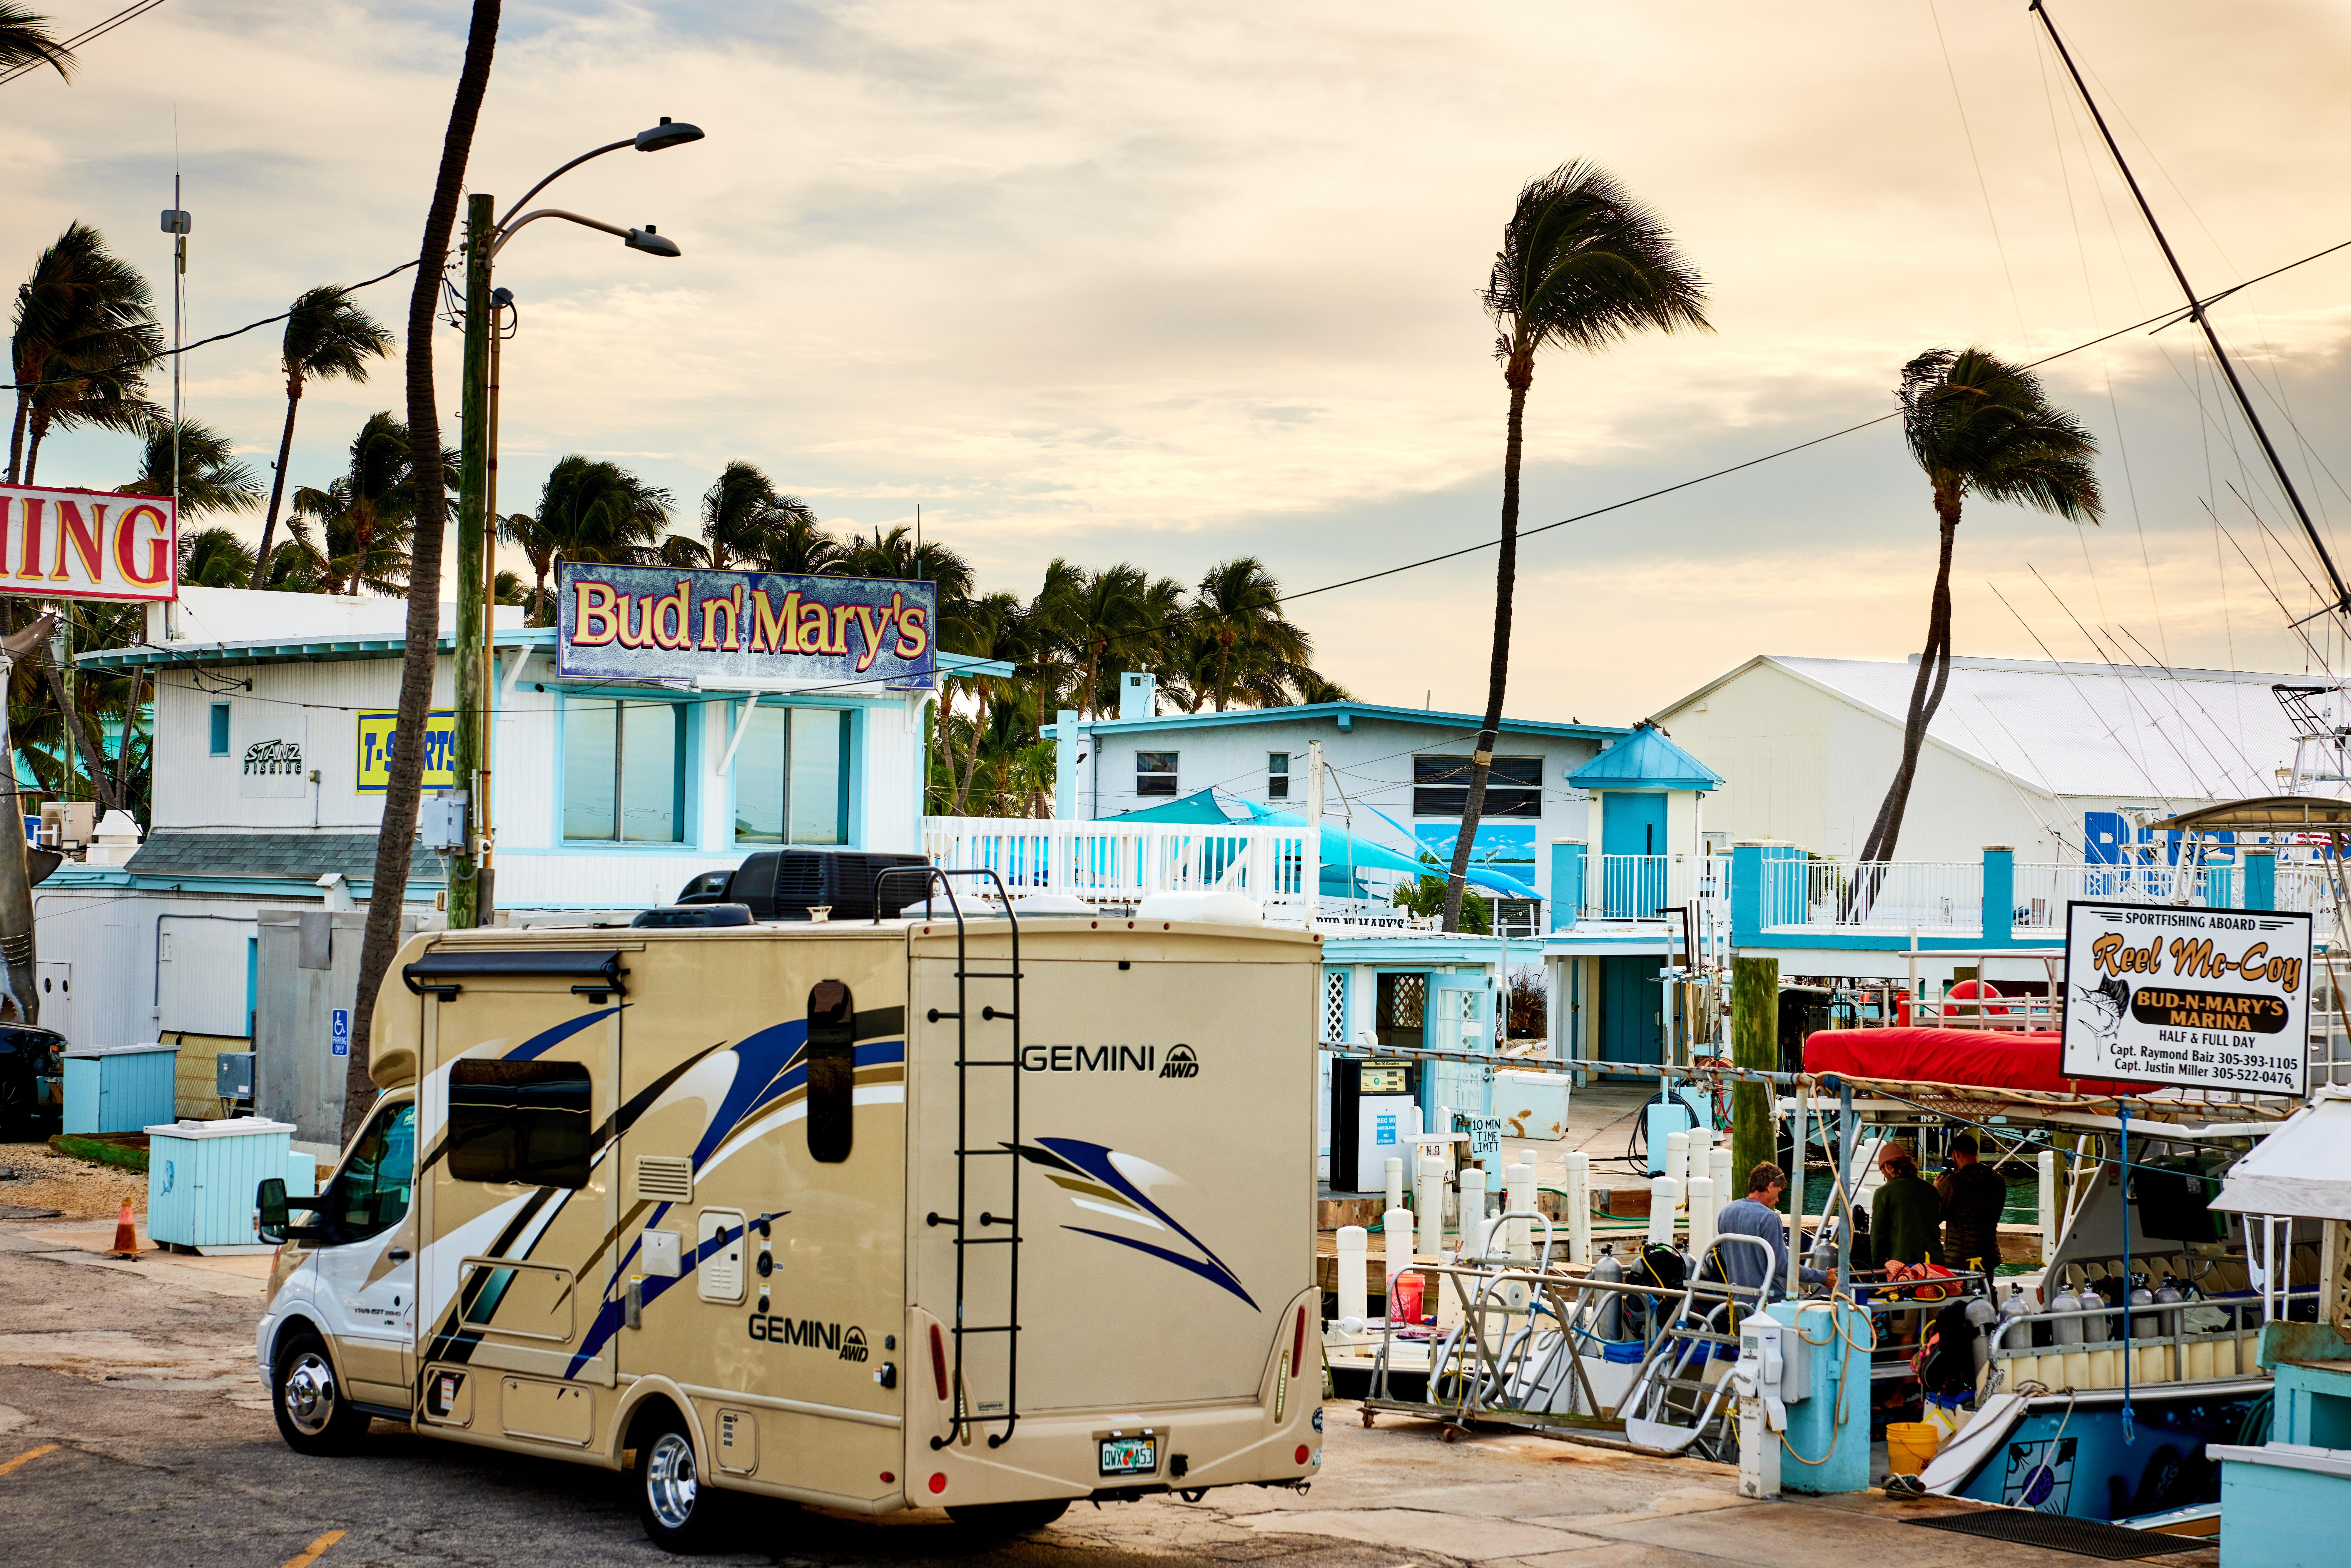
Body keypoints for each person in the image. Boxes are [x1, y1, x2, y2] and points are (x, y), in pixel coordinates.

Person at [1712, 1161, 1837, 1300]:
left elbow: (1726, 1256)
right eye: (1778, 1193)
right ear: (1771, 1187)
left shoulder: (1726, 1213)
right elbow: (1782, 1266)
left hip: (1738, 1300)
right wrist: (1822, 1277)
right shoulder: (1769, 1218)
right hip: (1769, 1301)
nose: (1778, 1199)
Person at [1936, 1133, 2007, 1273]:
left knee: (1962, 1295)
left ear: (1956, 1154)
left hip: (1960, 1259)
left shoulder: (1954, 1182)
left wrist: (1937, 1190)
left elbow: (1936, 1216)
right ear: (1976, 1152)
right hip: (1988, 1256)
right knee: (1988, 1293)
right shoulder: (1998, 1179)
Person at [1870, 1141, 1945, 1268]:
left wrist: (1878, 1275)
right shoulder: (1931, 1190)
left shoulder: (1884, 1193)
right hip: (1935, 1265)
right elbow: (1938, 1218)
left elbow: (1878, 1239)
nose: (1886, 1177)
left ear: (1888, 1167)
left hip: (1905, 1268)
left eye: (1884, 1172)